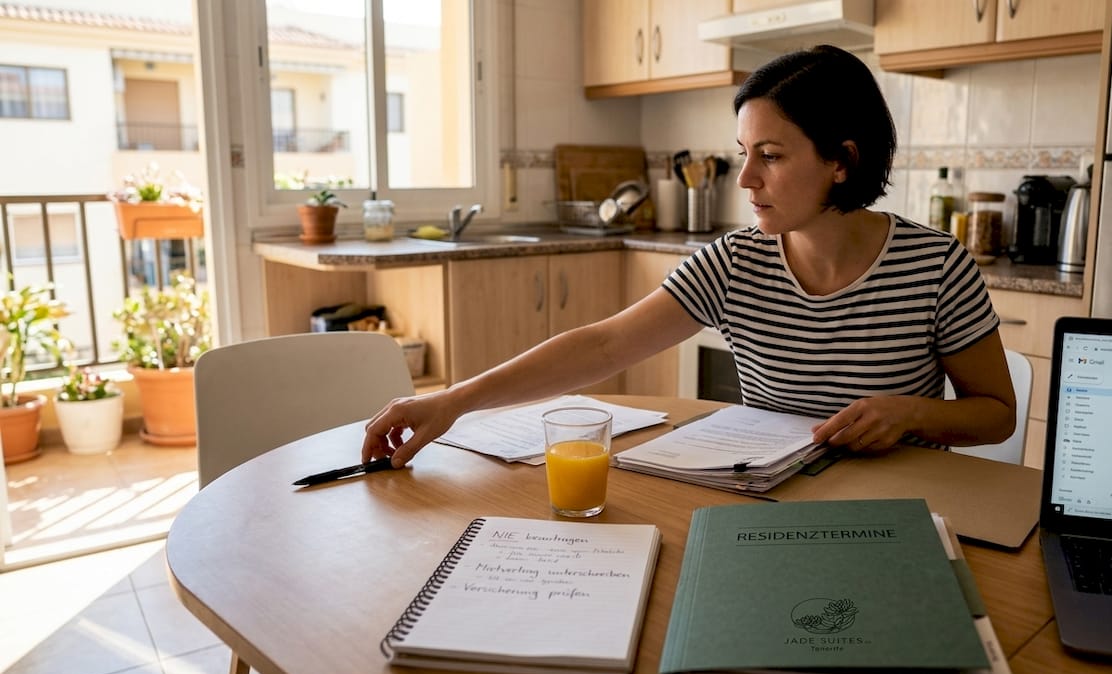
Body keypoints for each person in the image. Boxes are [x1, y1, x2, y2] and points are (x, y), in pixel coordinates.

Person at [363, 44, 1015, 469]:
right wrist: (454, 400)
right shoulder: (735, 262)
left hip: (905, 505)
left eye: (773, 156)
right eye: (743, 152)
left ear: (842, 161)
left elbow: (995, 415)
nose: (746, 180)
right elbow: (602, 347)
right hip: (768, 493)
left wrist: (911, 413)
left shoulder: (935, 266)